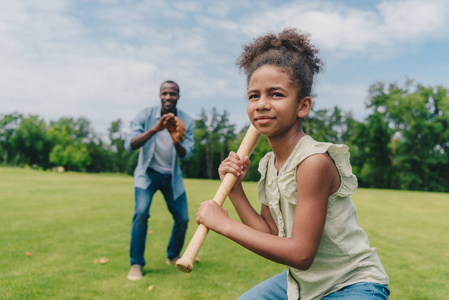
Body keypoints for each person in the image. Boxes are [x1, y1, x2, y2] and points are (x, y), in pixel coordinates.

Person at [195, 28, 390, 299]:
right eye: (254, 96)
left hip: (351, 284)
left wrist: (225, 225)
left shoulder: (313, 162)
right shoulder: (268, 165)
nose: (262, 104)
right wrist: (236, 190)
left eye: (275, 94)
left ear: (303, 106)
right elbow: (270, 233)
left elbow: (300, 254)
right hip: (304, 284)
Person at [124, 80, 195, 281]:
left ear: (178, 97)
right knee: (141, 213)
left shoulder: (187, 121)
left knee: (183, 219)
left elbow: (186, 154)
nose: (168, 97)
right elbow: (129, 145)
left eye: (172, 94)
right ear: (160, 95)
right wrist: (155, 129)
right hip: (147, 175)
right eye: (164, 93)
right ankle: (136, 263)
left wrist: (175, 139)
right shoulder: (146, 115)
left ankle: (173, 255)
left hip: (172, 178)